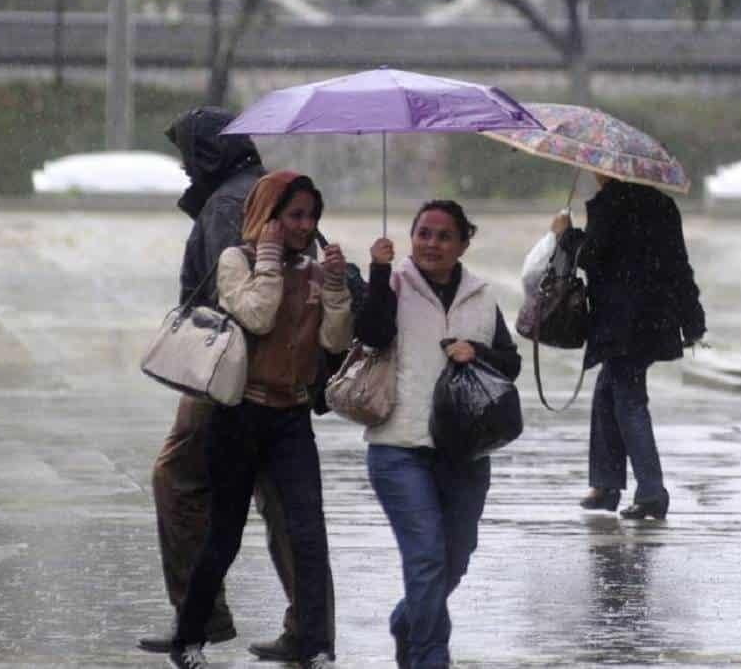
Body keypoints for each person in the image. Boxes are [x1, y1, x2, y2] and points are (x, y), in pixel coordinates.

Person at [139, 108, 334, 663]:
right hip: (268, 383)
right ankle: (309, 631)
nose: (182, 168)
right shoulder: (258, 189)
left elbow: (244, 305)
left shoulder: (230, 203)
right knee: (288, 513)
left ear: (204, 154)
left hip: (233, 379)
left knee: (182, 482)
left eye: (186, 154)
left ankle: (201, 617)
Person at [168, 170, 352, 669]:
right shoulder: (237, 260)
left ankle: (317, 646)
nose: (305, 225)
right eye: (294, 215)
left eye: (312, 216)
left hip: (291, 419)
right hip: (239, 414)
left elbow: (335, 342)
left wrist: (334, 286)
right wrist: (269, 260)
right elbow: (257, 317)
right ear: (267, 216)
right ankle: (188, 639)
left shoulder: (315, 273)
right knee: (223, 535)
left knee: (308, 534)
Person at [355, 200, 521, 669]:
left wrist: (479, 352)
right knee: (426, 558)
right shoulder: (391, 283)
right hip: (398, 447)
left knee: (455, 558)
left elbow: (511, 364)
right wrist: (378, 269)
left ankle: (408, 620)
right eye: (424, 233)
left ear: (463, 243)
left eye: (444, 236)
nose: (432, 244)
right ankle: (430, 658)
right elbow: (370, 334)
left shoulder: (482, 295)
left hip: (465, 453)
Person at [552, 174, 705, 520]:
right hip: (655, 321)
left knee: (629, 400)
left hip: (621, 324)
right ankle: (606, 486)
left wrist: (566, 233)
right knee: (609, 390)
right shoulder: (663, 205)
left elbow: (591, 257)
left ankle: (652, 491)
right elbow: (680, 266)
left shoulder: (610, 205)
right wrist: (693, 319)